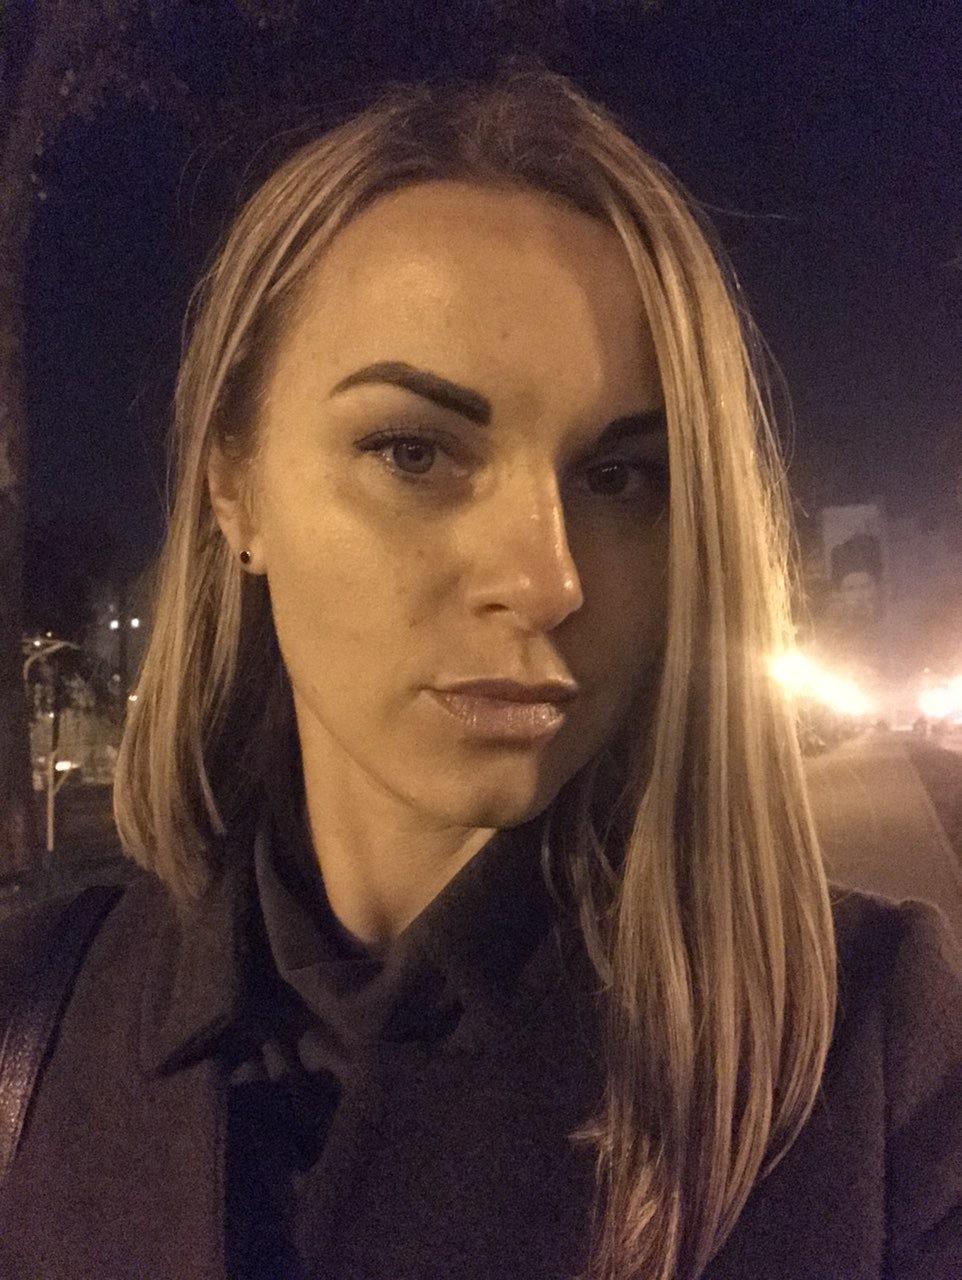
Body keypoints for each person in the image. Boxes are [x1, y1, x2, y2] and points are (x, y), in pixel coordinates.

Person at [2, 61, 960, 1280]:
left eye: (620, 476)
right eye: (414, 451)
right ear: (233, 487)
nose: (547, 579)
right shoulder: (33, 1019)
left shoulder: (866, 1054)